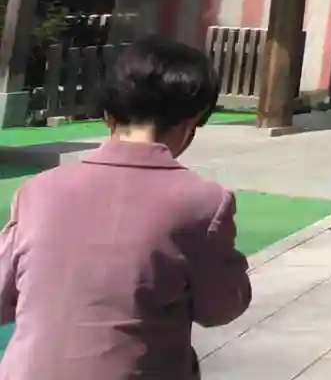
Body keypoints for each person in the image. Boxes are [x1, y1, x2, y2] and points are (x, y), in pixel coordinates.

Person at [0, 36, 251, 378]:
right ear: (191, 123)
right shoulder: (203, 202)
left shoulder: (37, 191)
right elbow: (219, 308)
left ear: (107, 116)